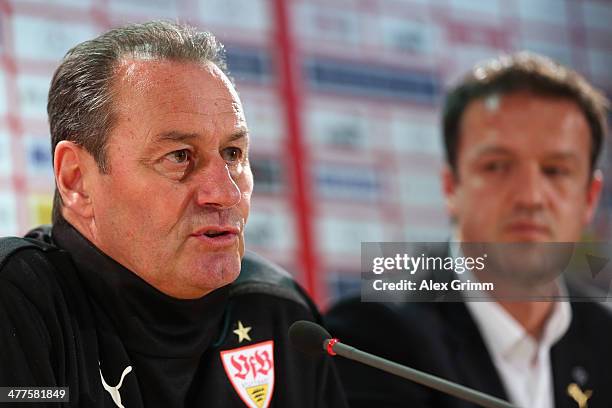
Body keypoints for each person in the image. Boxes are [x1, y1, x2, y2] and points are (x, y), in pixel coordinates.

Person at [0, 21, 347, 408]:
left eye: (233, 155)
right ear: (77, 179)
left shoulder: (278, 312)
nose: (225, 193)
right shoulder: (18, 301)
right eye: (180, 157)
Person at [326, 52, 612, 408]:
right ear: (451, 187)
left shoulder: (605, 336)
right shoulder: (371, 336)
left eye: (555, 170)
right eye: (497, 166)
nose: (530, 196)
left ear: (589, 198)